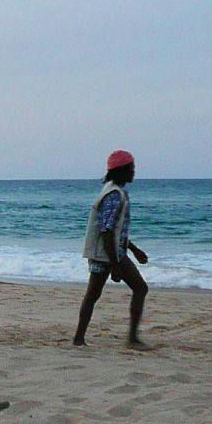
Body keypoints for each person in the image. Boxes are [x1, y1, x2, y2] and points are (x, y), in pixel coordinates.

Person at [73, 149, 150, 348]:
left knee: (138, 288)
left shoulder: (116, 191)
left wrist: (133, 249)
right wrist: (115, 264)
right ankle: (80, 339)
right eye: (131, 168)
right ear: (121, 170)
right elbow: (106, 231)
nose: (134, 172)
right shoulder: (114, 194)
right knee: (94, 294)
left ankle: (129, 338)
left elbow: (116, 230)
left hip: (114, 252)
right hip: (105, 255)